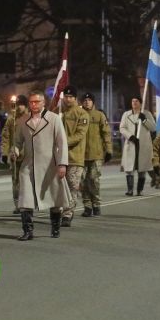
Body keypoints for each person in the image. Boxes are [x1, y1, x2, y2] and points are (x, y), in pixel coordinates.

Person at [12, 90, 70, 240]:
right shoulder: (23, 120)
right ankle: (27, 231)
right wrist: (15, 151)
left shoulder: (54, 119)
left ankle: (55, 228)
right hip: (28, 165)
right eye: (31, 102)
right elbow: (17, 141)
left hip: (50, 165)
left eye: (37, 102)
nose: (33, 105)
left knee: (54, 199)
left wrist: (62, 164)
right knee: (25, 199)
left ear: (43, 103)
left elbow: (62, 143)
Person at [60, 86, 89, 226]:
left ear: (75, 98)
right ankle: (60, 210)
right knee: (60, 185)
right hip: (60, 157)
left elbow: (79, 135)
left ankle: (67, 213)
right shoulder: (60, 113)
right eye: (66, 96)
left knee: (72, 185)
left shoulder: (82, 114)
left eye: (71, 97)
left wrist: (63, 142)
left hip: (74, 156)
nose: (68, 99)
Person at [81, 92, 112, 217]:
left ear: (93, 102)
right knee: (83, 181)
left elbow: (106, 133)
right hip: (81, 155)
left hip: (96, 154)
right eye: (85, 100)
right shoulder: (79, 115)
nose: (87, 102)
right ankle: (87, 205)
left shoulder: (99, 115)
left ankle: (96, 204)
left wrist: (108, 150)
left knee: (94, 180)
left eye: (89, 100)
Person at [119, 96, 156, 196]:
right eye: (133, 101)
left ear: (140, 103)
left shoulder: (146, 114)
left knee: (142, 169)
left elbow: (153, 128)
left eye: (136, 101)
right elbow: (122, 128)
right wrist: (130, 136)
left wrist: (144, 120)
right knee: (129, 169)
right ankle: (130, 190)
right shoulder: (126, 114)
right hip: (131, 144)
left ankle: (140, 190)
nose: (134, 103)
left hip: (143, 145)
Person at [0, 95, 28, 214]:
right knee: (16, 182)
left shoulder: (30, 118)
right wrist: (5, 152)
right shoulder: (12, 119)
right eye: (17, 104)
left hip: (28, 157)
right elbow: (5, 137)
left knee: (26, 182)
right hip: (14, 157)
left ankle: (27, 204)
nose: (19, 107)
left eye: (21, 104)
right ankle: (17, 205)